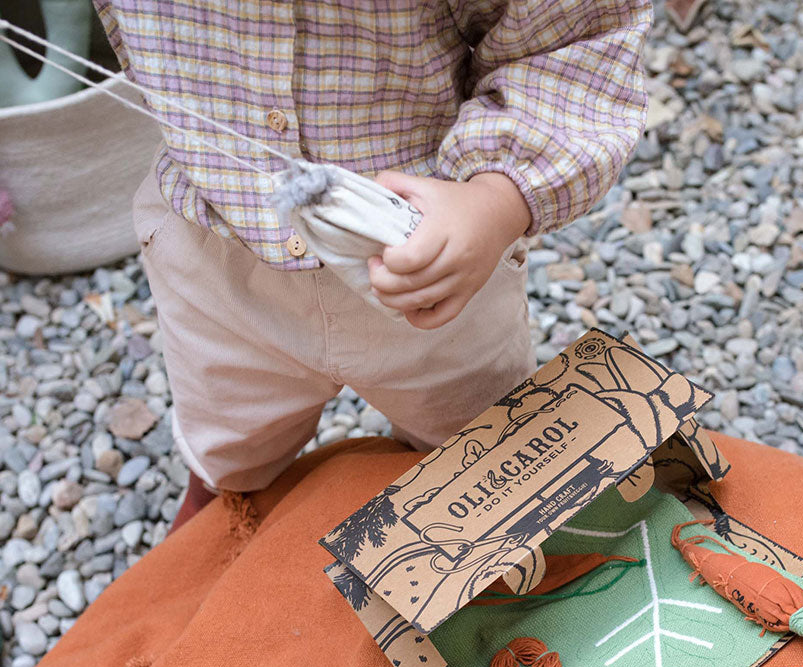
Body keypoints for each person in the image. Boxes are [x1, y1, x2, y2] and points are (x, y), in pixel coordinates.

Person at [93, 0, 654, 530]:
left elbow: (571, 35)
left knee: (484, 452)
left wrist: (496, 199)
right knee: (228, 432)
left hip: (430, 262)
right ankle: (223, 496)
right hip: (215, 254)